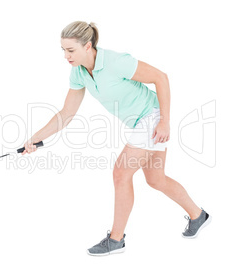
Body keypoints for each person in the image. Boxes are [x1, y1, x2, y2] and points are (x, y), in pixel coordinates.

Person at [22, 21, 212, 256]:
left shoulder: (114, 62)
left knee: (121, 173)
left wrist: (164, 120)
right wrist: (34, 139)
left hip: (151, 116)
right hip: (139, 123)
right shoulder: (79, 72)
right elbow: (66, 113)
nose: (65, 56)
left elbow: (160, 78)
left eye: (70, 50)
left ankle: (115, 239)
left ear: (88, 46)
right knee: (156, 179)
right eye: (63, 50)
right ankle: (198, 215)